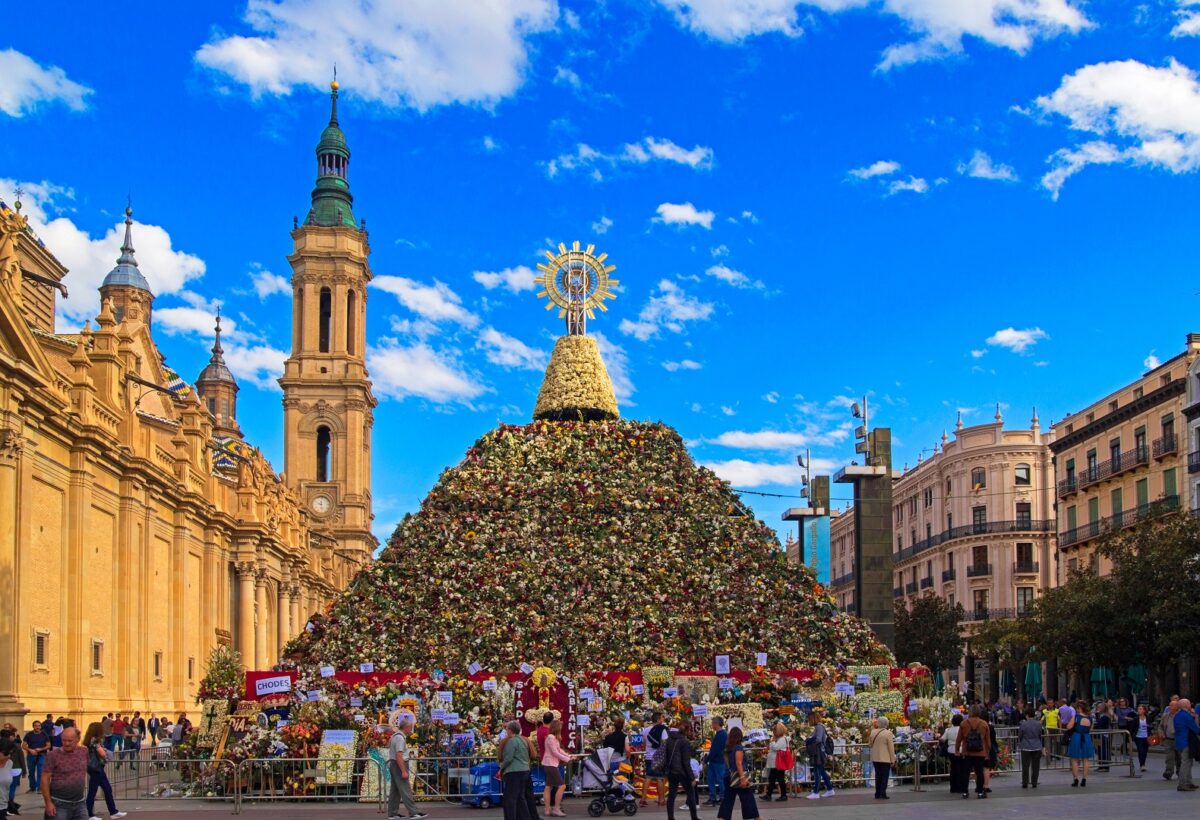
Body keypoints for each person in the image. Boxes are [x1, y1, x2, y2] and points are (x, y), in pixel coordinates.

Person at [80, 722, 126, 820]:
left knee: (107, 789)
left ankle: (113, 811)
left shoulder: (89, 740)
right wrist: (105, 752)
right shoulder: (94, 740)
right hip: (97, 768)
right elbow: (102, 753)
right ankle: (89, 814)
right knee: (93, 791)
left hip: (96, 768)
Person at [42, 726, 90, 820]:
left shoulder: (84, 751)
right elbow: (44, 779)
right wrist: (48, 803)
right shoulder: (53, 755)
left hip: (80, 803)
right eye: (64, 740)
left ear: (77, 739)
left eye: (70, 741)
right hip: (59, 804)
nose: (66, 743)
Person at [386, 713, 426, 820]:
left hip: (394, 764)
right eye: (411, 728)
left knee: (395, 791)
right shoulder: (400, 738)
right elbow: (399, 755)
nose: (411, 730)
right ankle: (414, 812)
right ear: (407, 728)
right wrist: (404, 771)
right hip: (399, 765)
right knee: (405, 789)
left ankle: (392, 813)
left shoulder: (396, 736)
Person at [716, 727, 760, 820]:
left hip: (728, 776)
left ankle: (722, 817)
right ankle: (756, 818)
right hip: (738, 777)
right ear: (739, 736)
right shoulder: (738, 748)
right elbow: (738, 763)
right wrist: (743, 778)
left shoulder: (728, 748)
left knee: (728, 799)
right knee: (748, 798)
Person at [664, 721, 699, 820]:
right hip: (682, 772)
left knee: (671, 795)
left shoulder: (669, 739)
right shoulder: (684, 741)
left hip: (671, 770)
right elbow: (685, 761)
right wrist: (692, 777)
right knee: (690, 794)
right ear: (687, 730)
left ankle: (670, 818)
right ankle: (694, 817)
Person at [956, 705, 991, 799]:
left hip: (967, 752)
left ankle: (965, 792)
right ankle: (980, 792)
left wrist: (957, 750)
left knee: (965, 772)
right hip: (980, 752)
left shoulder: (964, 723)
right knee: (979, 772)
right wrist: (987, 752)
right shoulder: (984, 724)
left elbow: (959, 739)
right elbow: (988, 741)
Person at [500, 720, 532, 820]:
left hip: (514, 771)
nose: (506, 731)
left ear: (510, 730)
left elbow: (508, 758)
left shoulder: (512, 741)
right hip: (525, 770)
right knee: (520, 797)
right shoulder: (523, 740)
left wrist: (501, 767)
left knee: (510, 799)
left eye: (507, 729)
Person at [541, 719, 571, 817]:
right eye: (560, 727)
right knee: (562, 786)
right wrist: (567, 759)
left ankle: (547, 809)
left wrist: (568, 756)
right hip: (550, 764)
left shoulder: (553, 737)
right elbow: (555, 752)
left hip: (550, 763)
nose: (561, 729)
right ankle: (556, 809)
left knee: (548, 786)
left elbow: (559, 750)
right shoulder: (551, 737)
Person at [805, 711, 833, 800]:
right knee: (821, 772)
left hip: (819, 752)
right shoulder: (819, 726)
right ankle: (830, 789)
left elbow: (819, 739)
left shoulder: (819, 727)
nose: (808, 721)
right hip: (819, 752)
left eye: (809, 719)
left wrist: (809, 740)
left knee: (817, 772)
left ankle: (816, 792)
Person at [1173, 698, 1200, 791]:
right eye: (1189, 703)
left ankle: (1189, 782)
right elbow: (1195, 729)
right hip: (1186, 742)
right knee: (1186, 763)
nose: (1190, 705)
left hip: (1179, 742)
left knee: (1188, 763)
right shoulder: (1186, 716)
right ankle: (1182, 784)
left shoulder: (1177, 715)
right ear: (1186, 705)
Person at [1066, 700, 1094, 787]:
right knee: (1086, 760)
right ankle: (1084, 779)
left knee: (1074, 759)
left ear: (1079, 708)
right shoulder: (1090, 718)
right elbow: (1091, 729)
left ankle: (1076, 779)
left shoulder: (1076, 716)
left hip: (1076, 737)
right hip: (1086, 737)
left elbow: (1069, 726)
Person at [868, 716, 895, 800]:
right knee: (885, 776)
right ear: (886, 724)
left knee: (878, 775)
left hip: (875, 758)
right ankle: (883, 793)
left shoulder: (873, 732)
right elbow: (891, 748)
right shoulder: (888, 733)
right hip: (885, 758)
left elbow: (870, 744)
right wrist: (893, 759)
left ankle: (877, 793)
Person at [645, 712, 668, 807]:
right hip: (658, 757)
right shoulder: (662, 729)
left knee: (648, 778)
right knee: (659, 779)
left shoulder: (645, 730)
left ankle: (642, 799)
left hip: (648, 757)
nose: (663, 720)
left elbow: (643, 743)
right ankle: (661, 799)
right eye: (662, 718)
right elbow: (665, 743)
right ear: (658, 720)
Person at [1018, 706, 1043, 788]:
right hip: (1037, 745)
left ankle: (1025, 782)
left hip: (1026, 746)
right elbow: (1040, 734)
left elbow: (1020, 735)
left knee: (1025, 766)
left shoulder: (1023, 724)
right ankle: (1034, 782)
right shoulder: (1039, 724)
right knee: (1036, 766)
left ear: (1027, 715)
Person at [763, 722, 789, 801]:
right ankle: (769, 795)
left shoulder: (781, 739)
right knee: (773, 779)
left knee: (779, 779)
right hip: (776, 763)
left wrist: (773, 741)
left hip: (777, 763)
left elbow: (775, 748)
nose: (773, 732)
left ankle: (783, 795)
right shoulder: (781, 739)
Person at [704, 717, 727, 807]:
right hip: (715, 761)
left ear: (716, 724)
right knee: (711, 779)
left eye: (713, 723)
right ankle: (713, 798)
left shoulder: (721, 735)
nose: (712, 725)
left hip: (718, 761)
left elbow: (715, 749)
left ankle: (722, 798)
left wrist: (707, 759)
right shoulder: (720, 734)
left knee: (720, 780)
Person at [943, 713, 967, 796]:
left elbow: (942, 739)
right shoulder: (963, 729)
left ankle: (953, 787)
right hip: (960, 750)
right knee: (961, 769)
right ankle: (961, 787)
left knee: (953, 769)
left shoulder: (948, 730)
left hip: (951, 751)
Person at [22, 719, 48, 793]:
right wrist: (30, 750)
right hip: (31, 755)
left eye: (39, 726)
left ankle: (39, 788)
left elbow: (48, 745)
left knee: (40, 772)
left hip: (42, 755)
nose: (37, 727)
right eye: (36, 726)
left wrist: (40, 749)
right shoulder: (29, 734)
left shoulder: (44, 734)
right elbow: (23, 745)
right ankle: (32, 788)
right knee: (31, 772)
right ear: (33, 727)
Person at [1162, 695, 1181, 781]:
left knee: (1179, 757)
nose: (1170, 707)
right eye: (1170, 705)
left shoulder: (1181, 715)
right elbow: (1160, 727)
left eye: (1172, 706)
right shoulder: (1165, 716)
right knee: (1169, 757)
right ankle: (1168, 772)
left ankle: (1180, 771)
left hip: (1178, 739)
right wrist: (1161, 733)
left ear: (1177, 707)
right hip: (1168, 739)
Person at [1092, 702, 1111, 771]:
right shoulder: (1099, 715)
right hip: (1098, 735)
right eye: (1097, 707)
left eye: (1099, 707)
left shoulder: (1106, 716)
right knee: (1099, 750)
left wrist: (1096, 715)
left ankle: (1105, 766)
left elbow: (1099, 723)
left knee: (1104, 750)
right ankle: (1100, 765)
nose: (1098, 708)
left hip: (1104, 735)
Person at [1131, 704, 1150, 772]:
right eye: (1138, 709)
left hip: (1146, 737)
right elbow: (1132, 728)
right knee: (1140, 750)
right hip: (1138, 737)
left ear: (1144, 710)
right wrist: (1132, 736)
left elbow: (1150, 727)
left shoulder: (1148, 718)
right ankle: (1141, 765)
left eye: (1141, 709)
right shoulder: (1136, 719)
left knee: (1145, 751)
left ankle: (1143, 764)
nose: (1139, 710)